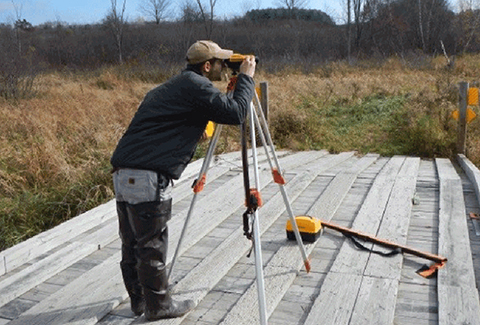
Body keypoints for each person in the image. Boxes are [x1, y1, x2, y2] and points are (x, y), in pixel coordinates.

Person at [110, 40, 256, 321]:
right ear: (206, 65)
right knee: (151, 245)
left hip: (123, 172)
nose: (225, 68)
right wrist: (246, 79)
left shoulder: (168, 87)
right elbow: (237, 113)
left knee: (132, 244)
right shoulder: (196, 85)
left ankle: (140, 301)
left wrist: (192, 129)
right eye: (221, 63)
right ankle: (159, 307)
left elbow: (161, 126)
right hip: (147, 177)